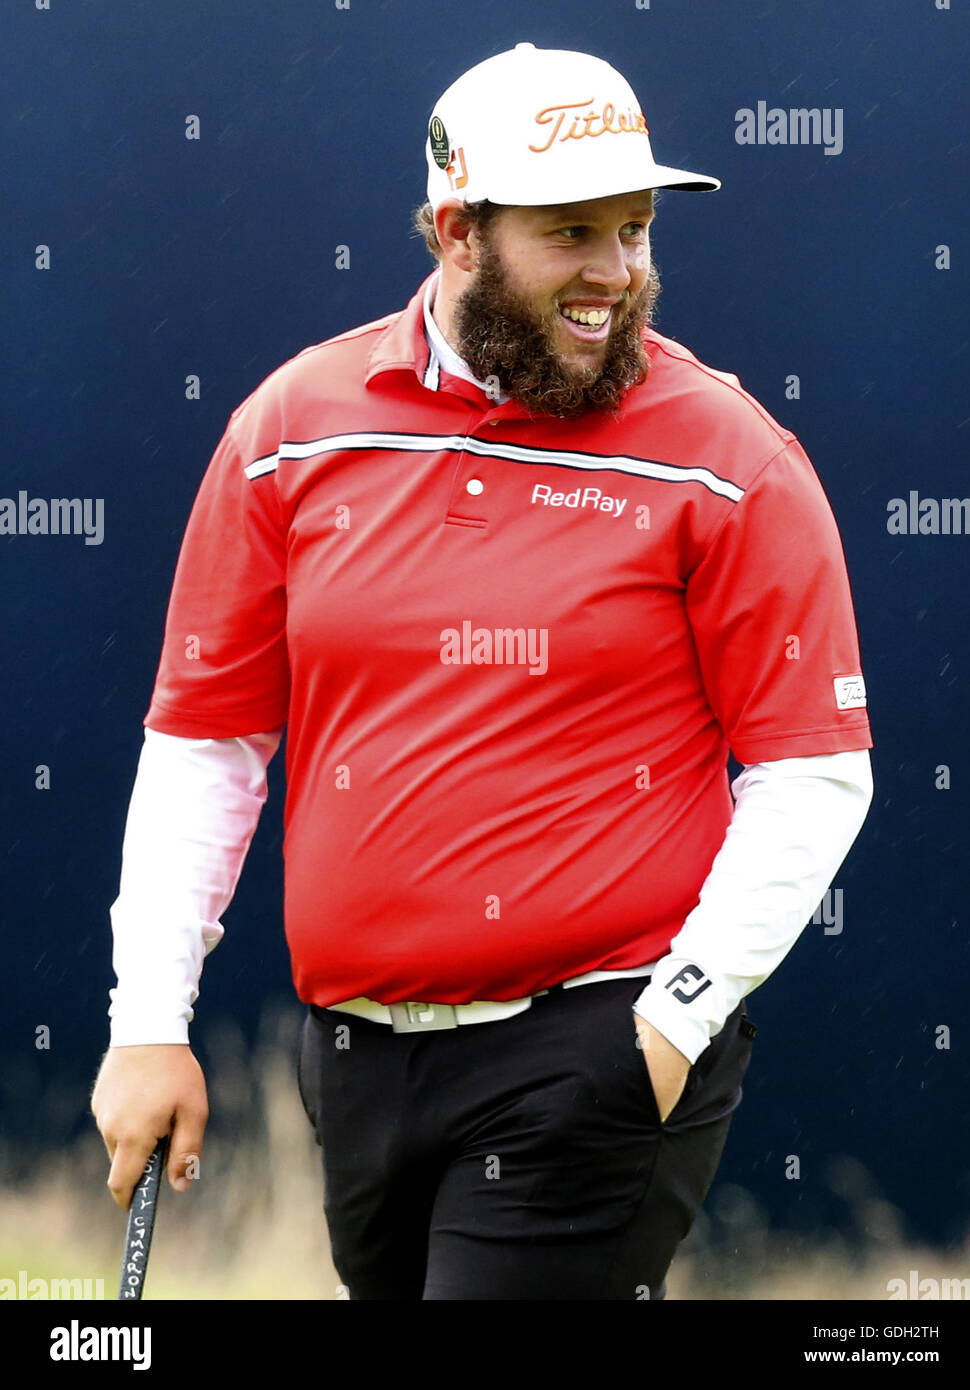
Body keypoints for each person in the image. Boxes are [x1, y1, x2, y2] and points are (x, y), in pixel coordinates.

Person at [91, 42, 874, 1300]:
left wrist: (672, 1018)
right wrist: (147, 1021)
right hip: (354, 1058)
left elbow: (811, 770)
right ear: (458, 230)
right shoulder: (289, 429)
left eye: (634, 229)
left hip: (592, 1043)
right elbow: (207, 744)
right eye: (572, 234)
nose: (617, 274)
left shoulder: (730, 456)